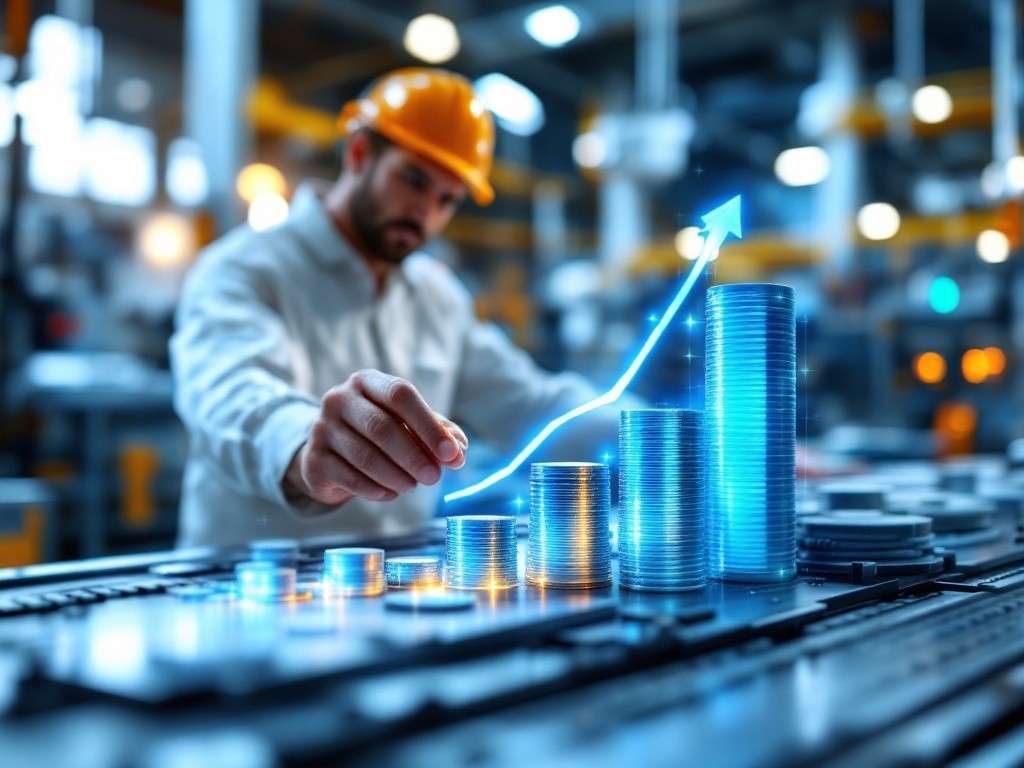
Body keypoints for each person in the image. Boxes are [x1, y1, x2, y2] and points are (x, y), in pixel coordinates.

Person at [170, 68, 625, 548]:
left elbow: (534, 405)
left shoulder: (438, 297)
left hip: (395, 594)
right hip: (251, 587)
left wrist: (664, 437)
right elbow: (232, 397)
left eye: (447, 199)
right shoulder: (241, 268)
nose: (425, 211)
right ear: (360, 154)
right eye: (414, 179)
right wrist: (305, 445)